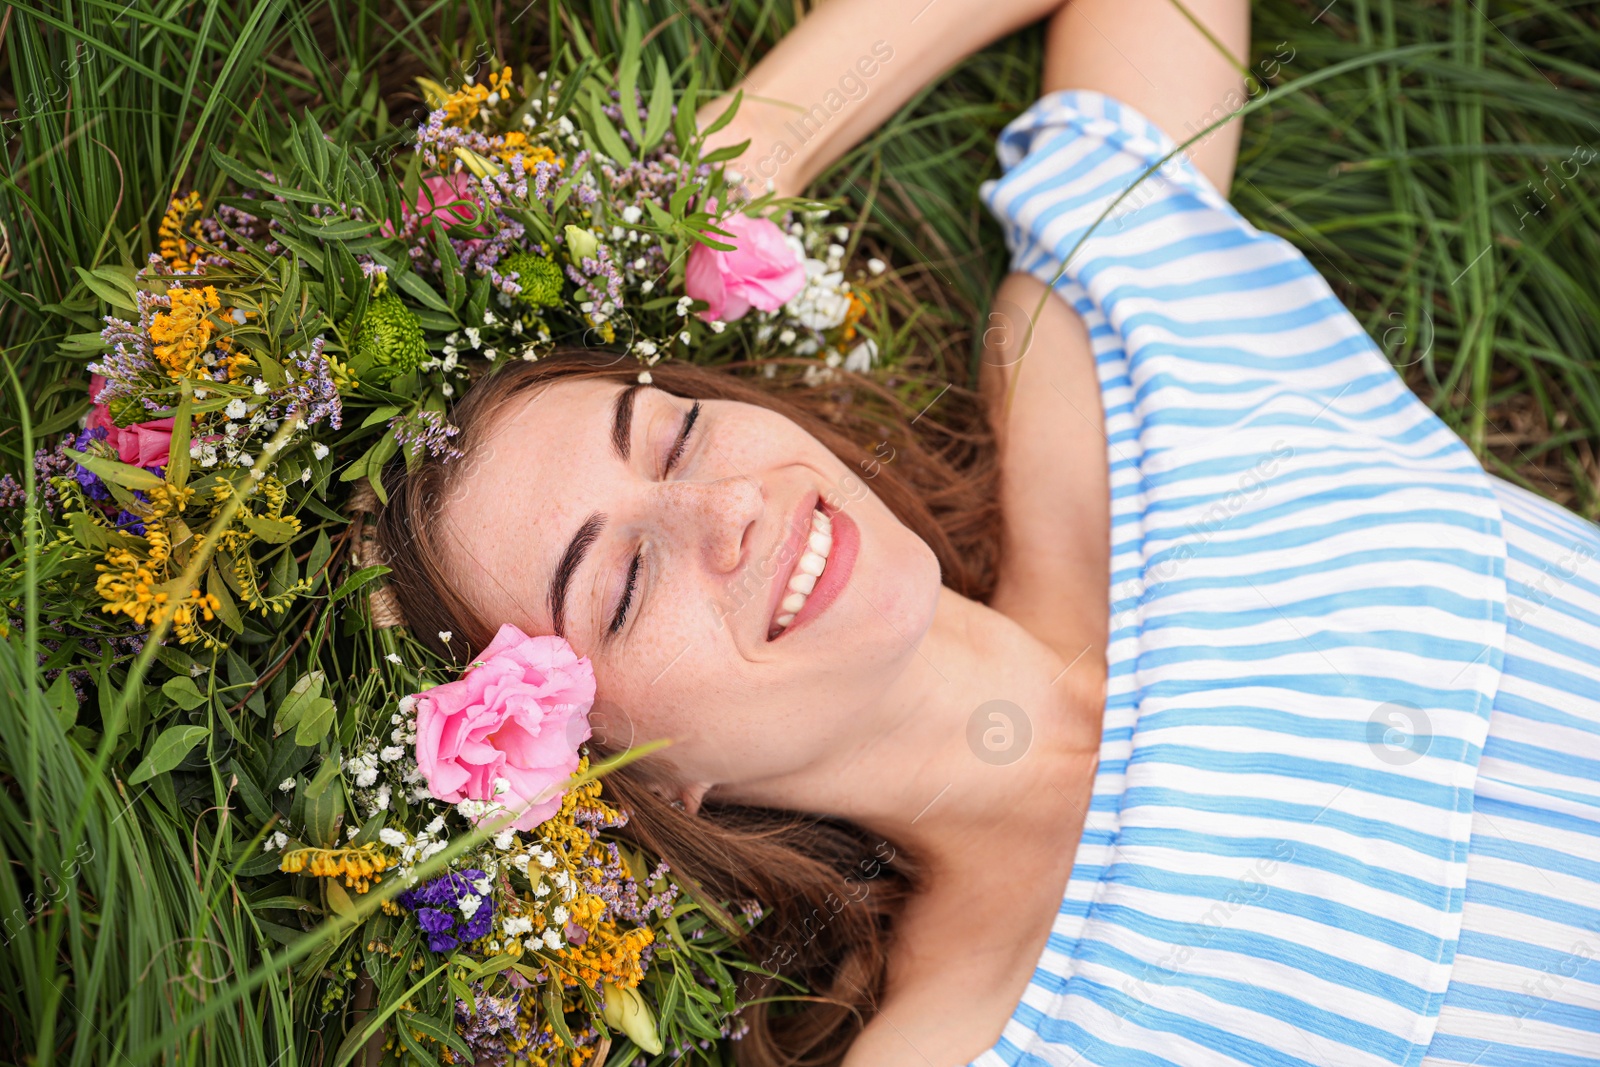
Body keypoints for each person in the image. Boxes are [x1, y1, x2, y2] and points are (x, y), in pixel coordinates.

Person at [374, 1, 1600, 1064]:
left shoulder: (1105, 395)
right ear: (620, 786)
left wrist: (726, 166)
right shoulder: (982, 1036)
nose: (728, 505)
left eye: (678, 432)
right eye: (623, 584)